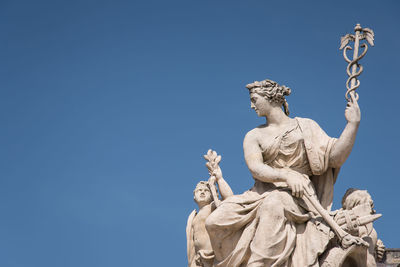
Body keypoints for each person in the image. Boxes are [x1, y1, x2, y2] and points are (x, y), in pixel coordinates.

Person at [205, 79, 361, 267]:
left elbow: (334, 157)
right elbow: (256, 167)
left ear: (270, 98)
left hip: (297, 196)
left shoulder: (306, 126)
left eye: (255, 99)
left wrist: (352, 125)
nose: (251, 105)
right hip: (259, 193)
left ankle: (259, 263)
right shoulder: (254, 135)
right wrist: (285, 175)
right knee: (214, 222)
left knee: (274, 204)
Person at [187, 156, 234, 267]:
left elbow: (230, 199)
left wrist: (218, 180)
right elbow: (191, 243)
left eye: (205, 191)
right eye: (199, 190)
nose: (202, 192)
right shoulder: (193, 216)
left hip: (214, 255)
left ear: (212, 195)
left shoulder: (212, 207)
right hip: (200, 259)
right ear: (194, 196)